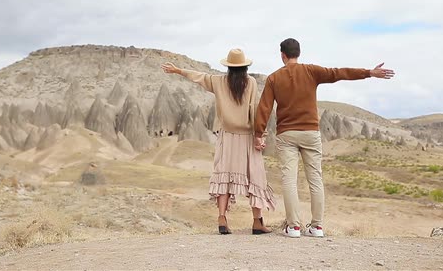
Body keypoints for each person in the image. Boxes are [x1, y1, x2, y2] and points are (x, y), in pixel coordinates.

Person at [253, 38, 395, 238]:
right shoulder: (312, 71)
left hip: (287, 134)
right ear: (298, 53)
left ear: (282, 55)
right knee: (315, 179)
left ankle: (293, 227)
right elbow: (339, 73)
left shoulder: (274, 78)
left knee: (289, 180)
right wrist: (369, 73)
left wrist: (258, 134)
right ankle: (317, 227)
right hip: (311, 133)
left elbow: (264, 108)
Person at [162, 49, 276, 235]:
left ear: (229, 68)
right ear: (245, 67)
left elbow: (199, 77)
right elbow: (255, 109)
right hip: (247, 137)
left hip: (227, 136)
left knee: (223, 175)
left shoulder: (219, 82)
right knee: (255, 177)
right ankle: (257, 222)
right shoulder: (252, 83)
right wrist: (259, 136)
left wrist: (178, 71)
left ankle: (222, 218)